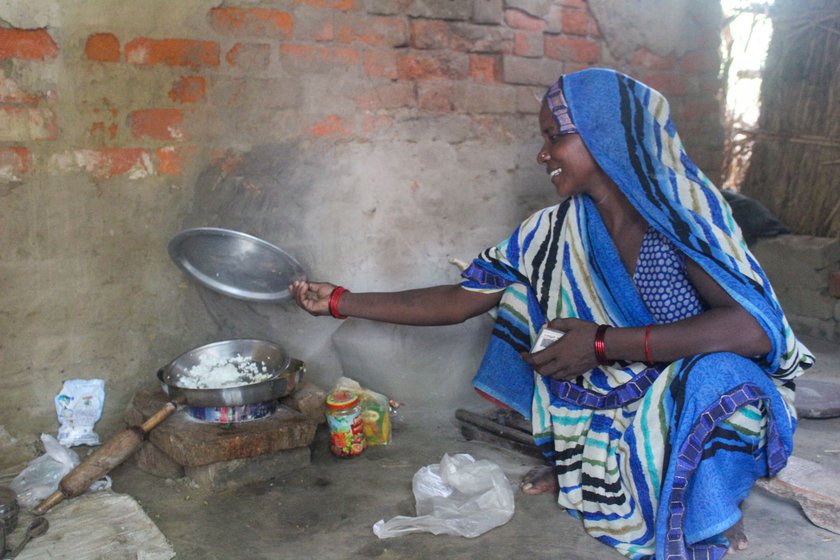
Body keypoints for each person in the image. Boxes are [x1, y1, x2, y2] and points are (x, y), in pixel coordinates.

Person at [289, 68, 813, 559]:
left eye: (553, 136)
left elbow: (750, 329)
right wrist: (341, 301)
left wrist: (604, 343)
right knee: (522, 296)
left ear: (604, 134)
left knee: (719, 380)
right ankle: (576, 462)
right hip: (626, 386)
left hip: (696, 383)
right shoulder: (553, 229)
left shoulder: (683, 212)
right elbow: (462, 298)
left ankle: (715, 503)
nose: (543, 155)